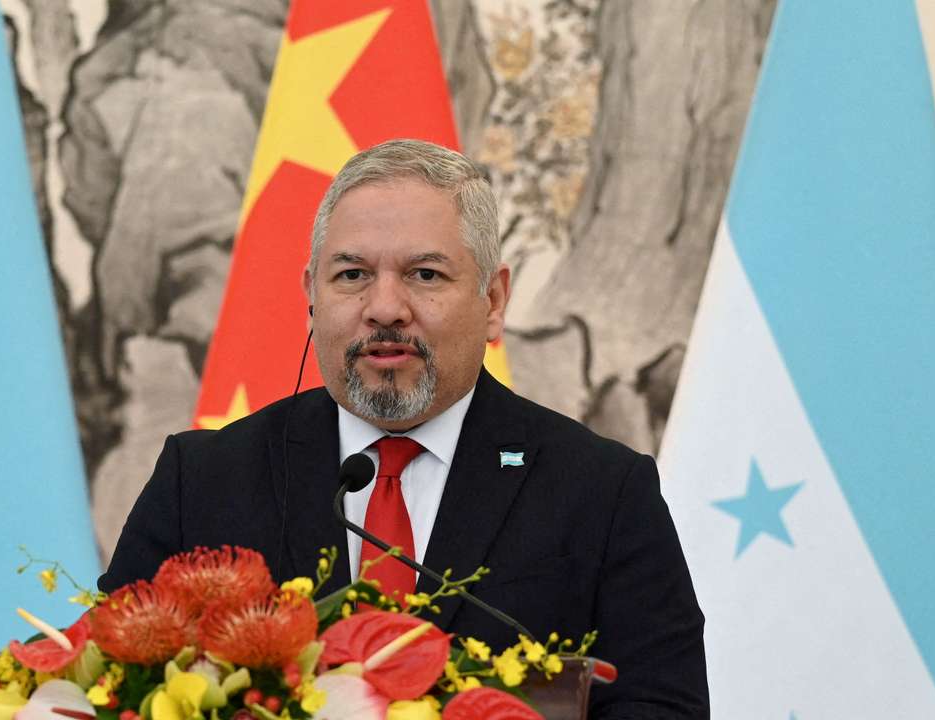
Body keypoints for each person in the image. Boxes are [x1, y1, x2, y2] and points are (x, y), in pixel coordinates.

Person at [100, 139, 709, 718]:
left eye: (424, 274)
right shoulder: (203, 480)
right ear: (311, 295)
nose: (385, 307)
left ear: (493, 301)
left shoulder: (602, 491)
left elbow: (662, 705)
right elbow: (107, 684)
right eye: (352, 275)